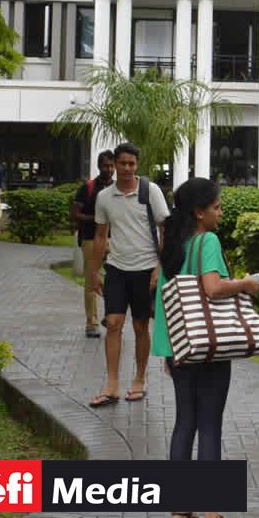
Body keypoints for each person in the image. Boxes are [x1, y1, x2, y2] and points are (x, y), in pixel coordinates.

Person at [151, 177, 259, 518]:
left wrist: (169, 352)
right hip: (211, 347)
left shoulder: (173, 244)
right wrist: (246, 284)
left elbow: (165, 301)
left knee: (184, 423)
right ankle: (214, 517)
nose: (220, 212)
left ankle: (180, 509)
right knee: (210, 426)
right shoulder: (208, 240)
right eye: (216, 206)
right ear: (199, 212)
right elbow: (213, 288)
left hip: (183, 346)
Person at [87, 142, 168, 408]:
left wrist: (159, 266)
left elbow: (165, 229)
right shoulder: (104, 197)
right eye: (122, 163)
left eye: (131, 164)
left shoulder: (150, 191)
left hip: (146, 270)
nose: (126, 168)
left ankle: (140, 379)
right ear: (114, 164)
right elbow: (100, 236)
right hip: (117, 269)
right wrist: (94, 271)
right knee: (113, 323)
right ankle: (112, 384)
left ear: (137, 165)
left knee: (140, 326)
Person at [72, 151, 115, 338]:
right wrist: (97, 219)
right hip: (90, 238)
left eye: (112, 166)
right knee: (91, 281)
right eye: (106, 166)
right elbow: (74, 214)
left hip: (114, 239)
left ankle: (112, 318)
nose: (110, 169)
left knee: (115, 280)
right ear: (99, 166)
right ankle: (91, 323)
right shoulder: (88, 188)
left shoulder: (117, 188)